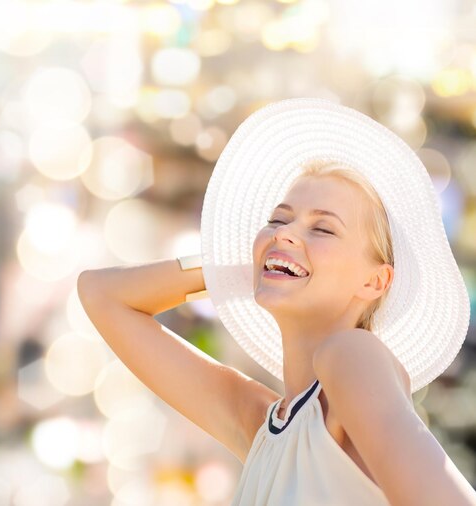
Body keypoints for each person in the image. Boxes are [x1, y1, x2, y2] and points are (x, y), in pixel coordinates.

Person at [77, 98, 476, 505]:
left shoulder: (352, 355)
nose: (285, 233)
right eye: (279, 220)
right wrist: (249, 264)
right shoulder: (263, 426)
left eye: (323, 228)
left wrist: (277, 257)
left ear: (376, 281)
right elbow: (102, 295)